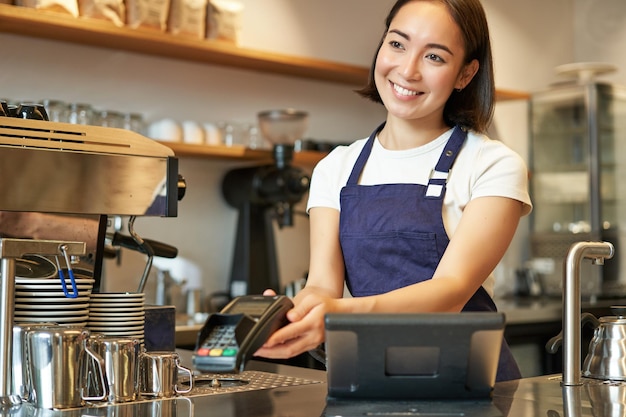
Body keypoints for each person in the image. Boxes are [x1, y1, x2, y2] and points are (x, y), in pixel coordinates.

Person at [255, 0, 532, 382]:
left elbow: (450, 293)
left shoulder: (492, 165)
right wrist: (291, 314)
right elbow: (321, 284)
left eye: (434, 56)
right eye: (397, 44)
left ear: (465, 74)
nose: (407, 69)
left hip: (468, 388)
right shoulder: (336, 167)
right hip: (368, 381)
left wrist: (335, 314)